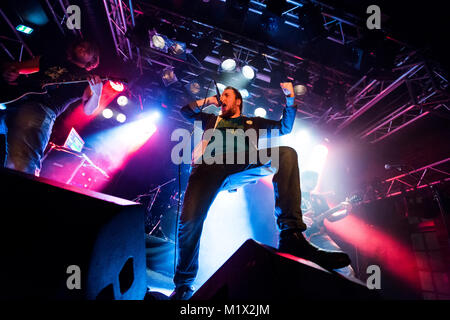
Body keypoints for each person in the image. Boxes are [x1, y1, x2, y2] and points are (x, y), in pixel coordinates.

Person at [170, 83, 351, 300]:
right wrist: (209, 101)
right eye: (222, 96)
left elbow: (284, 127)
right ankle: (183, 284)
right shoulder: (211, 119)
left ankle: (291, 236)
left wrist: (290, 100)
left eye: (227, 95)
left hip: (241, 165)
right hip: (207, 169)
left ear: (238, 101)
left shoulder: (252, 122)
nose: (223, 99)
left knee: (285, 154)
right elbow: (186, 111)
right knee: (189, 223)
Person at [0, 39, 103, 175]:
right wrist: (10, 72)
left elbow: (88, 110)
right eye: (81, 45)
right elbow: (16, 67)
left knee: (21, 164)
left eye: (88, 49)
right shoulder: (51, 59)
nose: (83, 48)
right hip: (12, 101)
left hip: (39, 111)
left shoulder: (86, 79)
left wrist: (97, 92)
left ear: (93, 59)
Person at [300, 170, 356, 278]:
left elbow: (331, 218)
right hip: (299, 238)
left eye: (316, 180)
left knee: (346, 269)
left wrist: (346, 211)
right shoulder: (293, 195)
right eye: (312, 179)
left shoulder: (319, 198)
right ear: (304, 179)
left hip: (319, 237)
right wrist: (299, 218)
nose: (315, 183)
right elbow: (282, 213)